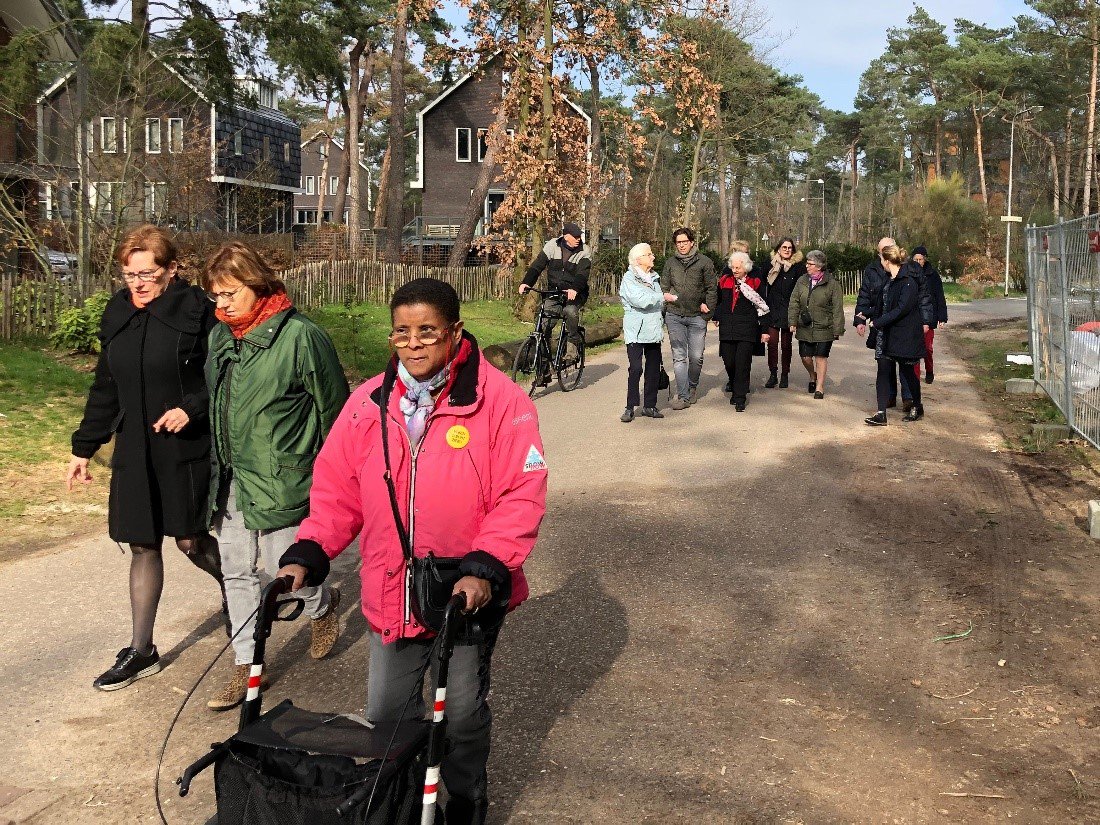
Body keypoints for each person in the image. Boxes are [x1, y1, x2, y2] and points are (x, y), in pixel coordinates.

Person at [275, 277, 547, 825]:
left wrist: (486, 565)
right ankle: (401, 807)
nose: (415, 343)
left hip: (464, 591)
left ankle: (461, 800)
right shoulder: (367, 403)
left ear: (455, 332)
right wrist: (309, 550)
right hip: (391, 589)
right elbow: (336, 491)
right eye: (403, 333)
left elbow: (521, 492)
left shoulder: (501, 402)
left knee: (462, 714)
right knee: (387, 717)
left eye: (428, 331)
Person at [66, 224, 223, 691]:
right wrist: (84, 448)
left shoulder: (200, 311)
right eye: (129, 274)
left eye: (148, 273)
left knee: (190, 541)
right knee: (142, 543)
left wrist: (190, 409)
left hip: (184, 444)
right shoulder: (118, 313)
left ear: (172, 269)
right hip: (134, 446)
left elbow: (223, 374)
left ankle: (242, 596)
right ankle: (141, 649)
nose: (138, 283)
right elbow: (106, 386)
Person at [201, 242, 349, 711]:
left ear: (257, 284)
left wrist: (332, 481)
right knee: (236, 573)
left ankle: (322, 605)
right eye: (214, 297)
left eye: (229, 293)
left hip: (285, 476)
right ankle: (248, 667)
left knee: (279, 569)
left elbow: (336, 411)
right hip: (232, 478)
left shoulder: (302, 336)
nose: (220, 305)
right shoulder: (221, 337)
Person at [854, 237, 933, 412]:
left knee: (906, 368)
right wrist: (862, 317)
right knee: (884, 366)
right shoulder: (876, 272)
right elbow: (870, 297)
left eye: (888, 250)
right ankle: (885, 404)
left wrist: (926, 320)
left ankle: (911, 400)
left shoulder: (910, 273)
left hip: (903, 328)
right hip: (885, 328)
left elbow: (918, 298)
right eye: (882, 252)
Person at [864, 244, 925, 426]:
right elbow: (881, 304)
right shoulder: (887, 280)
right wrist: (864, 314)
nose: (880, 263)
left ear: (888, 260)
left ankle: (917, 404)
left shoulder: (908, 282)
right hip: (885, 334)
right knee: (883, 369)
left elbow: (901, 310)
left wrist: (878, 322)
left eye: (882, 260)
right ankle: (881, 412)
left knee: (907, 371)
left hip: (904, 334)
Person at [661, 227, 716, 409]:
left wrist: (707, 313)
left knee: (696, 357)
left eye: (685, 242)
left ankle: (692, 386)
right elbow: (664, 287)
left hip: (697, 317)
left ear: (692, 242)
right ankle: (683, 396)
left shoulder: (704, 262)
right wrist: (665, 307)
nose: (682, 245)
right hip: (674, 315)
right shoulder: (670, 263)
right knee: (678, 357)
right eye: (679, 242)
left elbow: (711, 288)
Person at [620, 242, 675, 422]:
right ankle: (630, 406)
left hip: (653, 329)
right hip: (636, 331)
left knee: (653, 369)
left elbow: (658, 305)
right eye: (649, 254)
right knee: (635, 368)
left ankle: (650, 406)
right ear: (638, 259)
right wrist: (661, 297)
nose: (653, 257)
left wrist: (660, 302)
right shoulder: (629, 278)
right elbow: (640, 300)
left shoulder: (654, 277)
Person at [519, 221, 590, 356]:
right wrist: (526, 283)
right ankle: (544, 366)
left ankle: (573, 342)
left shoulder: (584, 251)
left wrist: (574, 289)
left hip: (575, 293)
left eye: (579, 236)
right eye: (575, 237)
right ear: (566, 236)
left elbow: (583, 274)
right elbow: (537, 266)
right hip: (554, 292)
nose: (578, 239)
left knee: (570, 311)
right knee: (543, 326)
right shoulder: (552, 245)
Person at [713, 251, 769, 412]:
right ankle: (735, 382)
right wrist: (716, 315)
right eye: (733, 267)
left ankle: (740, 397)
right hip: (727, 327)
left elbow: (764, 307)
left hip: (747, 328)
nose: (735, 270)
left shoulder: (755, 283)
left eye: (738, 267)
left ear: (746, 268)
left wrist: (764, 330)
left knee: (743, 363)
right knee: (729, 361)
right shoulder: (724, 280)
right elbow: (719, 301)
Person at [787, 249, 845, 400]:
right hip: (805, 325)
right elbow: (794, 302)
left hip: (824, 327)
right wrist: (792, 321)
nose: (807, 266)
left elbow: (838, 308)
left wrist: (837, 329)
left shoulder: (832, 284)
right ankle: (812, 375)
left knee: (821, 356)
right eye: (807, 262)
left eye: (810, 263)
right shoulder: (802, 281)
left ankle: (819, 387)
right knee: (806, 357)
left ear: (819, 266)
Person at [760, 237, 805, 388]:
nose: (786, 250)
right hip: (772, 310)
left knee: (786, 345)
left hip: (789, 311)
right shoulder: (769, 265)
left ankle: (785, 374)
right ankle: (773, 373)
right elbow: (762, 284)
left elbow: (801, 290)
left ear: (793, 251)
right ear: (778, 249)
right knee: (772, 343)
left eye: (789, 248)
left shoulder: (798, 268)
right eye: (784, 247)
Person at [910, 245, 948, 383]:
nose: (918, 262)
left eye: (921, 259)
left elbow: (939, 296)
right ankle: (915, 376)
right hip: (914, 317)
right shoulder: (908, 274)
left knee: (927, 348)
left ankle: (929, 370)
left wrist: (942, 317)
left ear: (925, 260)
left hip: (929, 316)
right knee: (914, 349)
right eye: (916, 259)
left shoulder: (933, 275)